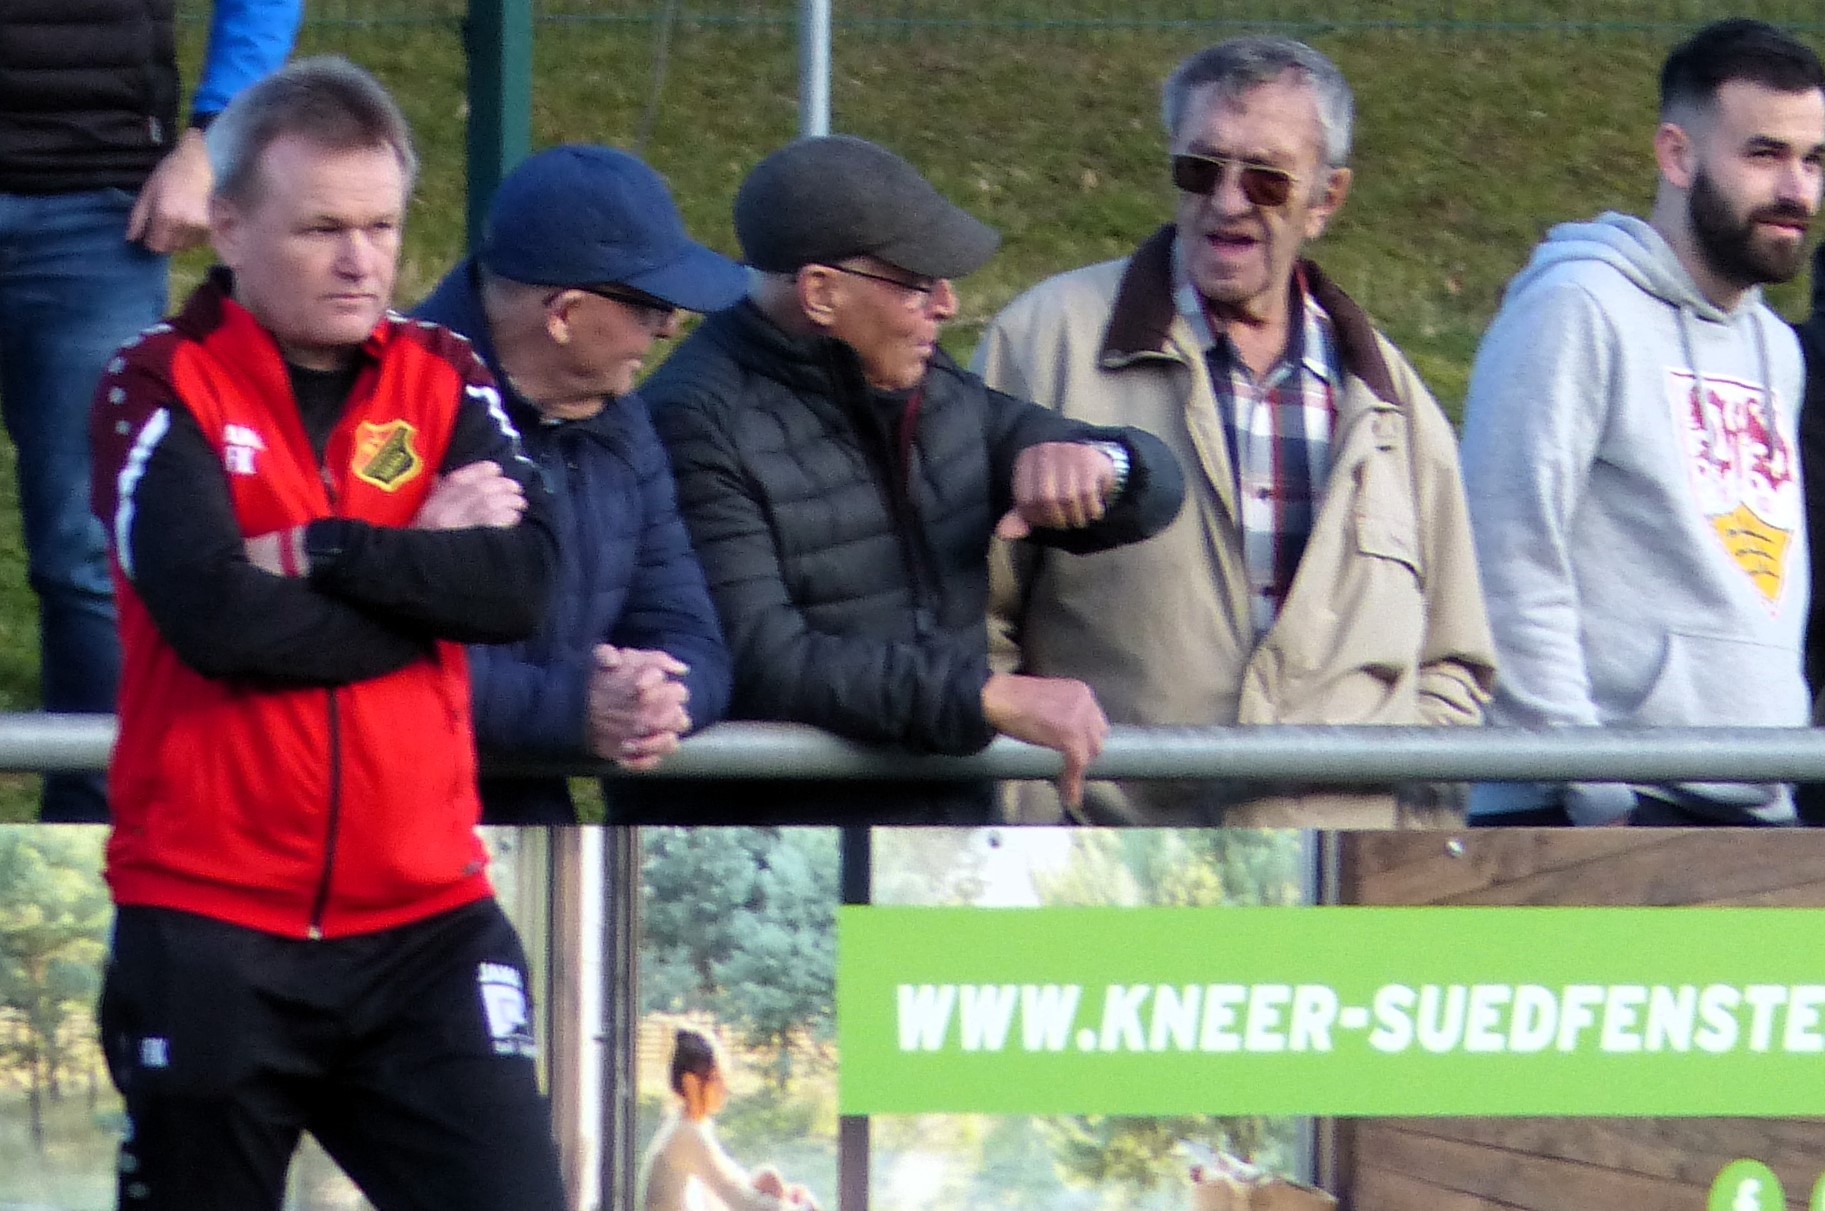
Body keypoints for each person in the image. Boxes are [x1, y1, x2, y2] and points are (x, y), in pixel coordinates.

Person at [88, 58, 567, 1209]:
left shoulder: (445, 374)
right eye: (322, 229)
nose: (362, 260)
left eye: (381, 226)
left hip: (428, 927)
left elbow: (521, 584)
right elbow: (218, 619)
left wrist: (325, 549)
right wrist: (423, 571)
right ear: (229, 226)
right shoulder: (153, 385)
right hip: (210, 925)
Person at [974, 37, 1496, 827]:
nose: (1226, 201)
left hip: (1343, 874)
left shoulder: (1393, 403)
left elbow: (1452, 666)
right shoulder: (1041, 345)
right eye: (1199, 168)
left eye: (1265, 178)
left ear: (1325, 198)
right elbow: (964, 626)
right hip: (1108, 867)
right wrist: (1035, 819)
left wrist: (1401, 834)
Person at [641, 134, 1185, 824]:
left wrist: (1106, 465)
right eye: (918, 284)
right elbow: (760, 659)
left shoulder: (930, 387)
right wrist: (981, 697)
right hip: (765, 842)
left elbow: (1157, 484)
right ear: (821, 293)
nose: (947, 305)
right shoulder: (690, 422)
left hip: (942, 829)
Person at [1460, 18, 1824, 826]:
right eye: (1763, 154)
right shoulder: (1576, 307)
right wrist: (1581, 780)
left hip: (1755, 804)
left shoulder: (1775, 346)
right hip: (1593, 808)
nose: (1795, 191)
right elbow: (1505, 550)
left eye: (1812, 160)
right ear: (1676, 155)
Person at [2, 0, 301, 820]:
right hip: (102, 211)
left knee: (90, 553)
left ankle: (94, 837)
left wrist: (214, 139)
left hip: (97, 212)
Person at [414, 144, 742, 824]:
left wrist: (661, 696)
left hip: (528, 830)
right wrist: (570, 708)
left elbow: (688, 628)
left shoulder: (622, 421)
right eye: (650, 308)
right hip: (389, 830)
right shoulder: (391, 410)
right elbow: (372, 656)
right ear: (563, 313)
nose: (669, 328)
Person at [640, 1028, 815, 1211]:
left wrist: (788, 1199)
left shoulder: (690, 1127)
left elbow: (736, 1183)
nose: (724, 1087)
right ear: (690, 1083)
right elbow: (740, 1200)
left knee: (767, 1178)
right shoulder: (686, 1135)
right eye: (715, 1078)